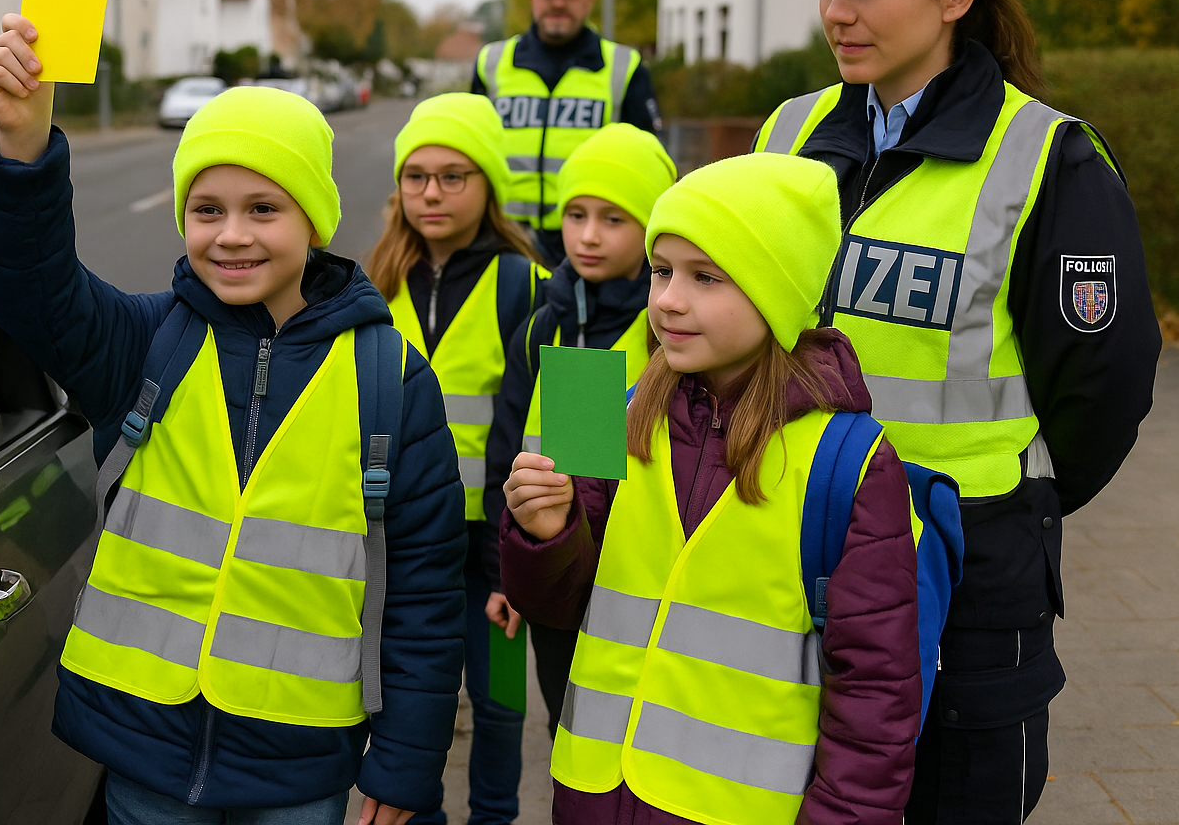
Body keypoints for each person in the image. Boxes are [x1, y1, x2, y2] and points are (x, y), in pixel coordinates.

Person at [0, 14, 466, 825]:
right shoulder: (144, 343)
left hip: (299, 765)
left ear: (315, 220)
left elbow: (424, 596)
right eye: (206, 210)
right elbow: (27, 284)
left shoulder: (392, 380)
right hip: (146, 749)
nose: (231, 236)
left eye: (263, 209)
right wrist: (21, 147)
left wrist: (405, 765)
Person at [752, 0, 1161, 821]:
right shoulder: (788, 136)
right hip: (798, 551)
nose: (839, 10)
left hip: (972, 575)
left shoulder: (1048, 159)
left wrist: (1016, 503)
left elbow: (1104, 389)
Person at [500, 154, 923, 825]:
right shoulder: (615, 409)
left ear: (774, 292)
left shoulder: (850, 462)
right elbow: (559, 606)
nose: (669, 299)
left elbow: (875, 694)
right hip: (594, 796)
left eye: (705, 277)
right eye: (662, 271)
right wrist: (545, 536)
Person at [364, 93, 546, 825]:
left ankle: (495, 816)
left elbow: (551, 423)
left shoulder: (526, 284)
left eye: (452, 177)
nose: (431, 193)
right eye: (416, 177)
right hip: (405, 539)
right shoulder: (373, 285)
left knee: (501, 702)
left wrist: (528, 547)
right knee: (409, 699)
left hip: (497, 544)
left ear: (488, 186)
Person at [481, 122, 675, 736]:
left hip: (641, 583)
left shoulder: (671, 332)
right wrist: (508, 572)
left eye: (613, 219)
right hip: (556, 576)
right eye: (575, 215)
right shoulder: (544, 329)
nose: (588, 236)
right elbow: (504, 452)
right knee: (566, 731)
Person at [472, 0, 662, 262]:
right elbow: (470, 156)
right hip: (500, 241)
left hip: (590, 248)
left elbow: (647, 164)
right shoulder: (491, 64)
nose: (558, 2)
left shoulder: (624, 68)